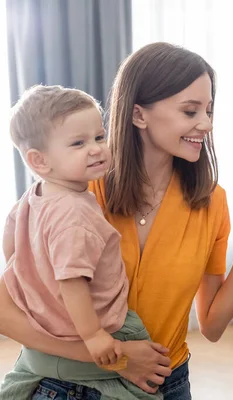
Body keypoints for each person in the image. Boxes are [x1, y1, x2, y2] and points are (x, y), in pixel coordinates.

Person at [0, 42, 233, 400]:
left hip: (164, 385)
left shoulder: (211, 203)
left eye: (209, 110)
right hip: (66, 384)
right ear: (139, 114)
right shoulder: (72, 190)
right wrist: (116, 358)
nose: (207, 124)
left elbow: (213, 326)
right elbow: (8, 309)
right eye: (190, 111)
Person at [0, 84, 160, 400]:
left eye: (99, 137)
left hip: (49, 326)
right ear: (39, 161)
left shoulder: (34, 198)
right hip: (101, 326)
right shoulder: (73, 211)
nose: (97, 148)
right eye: (78, 143)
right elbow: (72, 280)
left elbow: (11, 245)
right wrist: (94, 335)